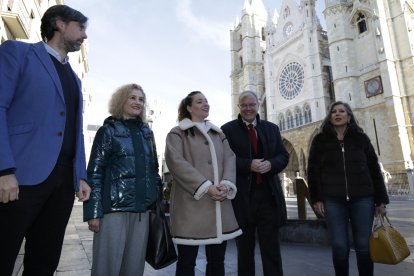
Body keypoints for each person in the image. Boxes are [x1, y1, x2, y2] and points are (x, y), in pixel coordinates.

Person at [0, 5, 91, 275]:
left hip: (61, 184)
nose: (85, 35)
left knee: (45, 259)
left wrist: (81, 175)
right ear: (60, 24)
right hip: (20, 176)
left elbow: (75, 130)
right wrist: (4, 169)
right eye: (81, 27)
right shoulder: (18, 52)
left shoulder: (75, 79)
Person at [84, 83, 162, 275]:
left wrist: (156, 202)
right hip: (113, 211)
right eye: (132, 97)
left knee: (134, 268)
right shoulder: (108, 131)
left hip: (142, 212)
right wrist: (93, 212)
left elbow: (154, 170)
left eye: (141, 99)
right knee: (106, 267)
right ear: (121, 101)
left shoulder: (147, 134)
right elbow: (95, 172)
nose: (138, 102)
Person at [307, 101, 389, 276]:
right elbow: (313, 171)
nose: (337, 114)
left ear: (349, 116)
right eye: (334, 112)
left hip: (363, 198)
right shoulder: (320, 140)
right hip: (333, 199)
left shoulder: (361, 138)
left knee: (363, 245)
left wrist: (380, 200)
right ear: (329, 117)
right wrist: (317, 198)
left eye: (342, 111)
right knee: (339, 245)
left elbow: (374, 169)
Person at [165, 91, 242, 276]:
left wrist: (226, 184)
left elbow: (230, 158)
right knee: (186, 262)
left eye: (206, 101)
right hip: (190, 208)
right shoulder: (177, 133)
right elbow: (176, 162)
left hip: (219, 207)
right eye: (200, 101)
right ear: (189, 108)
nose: (205, 104)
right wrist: (206, 187)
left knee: (217, 261)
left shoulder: (218, 134)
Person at [221, 90, 289, 276]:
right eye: (244, 105)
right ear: (239, 107)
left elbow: (283, 156)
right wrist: (247, 164)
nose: (248, 108)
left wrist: (271, 164)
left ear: (258, 105)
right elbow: (224, 160)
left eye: (251, 105)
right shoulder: (227, 130)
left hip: (268, 196)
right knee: (244, 251)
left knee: (272, 249)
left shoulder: (271, 128)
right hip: (242, 198)